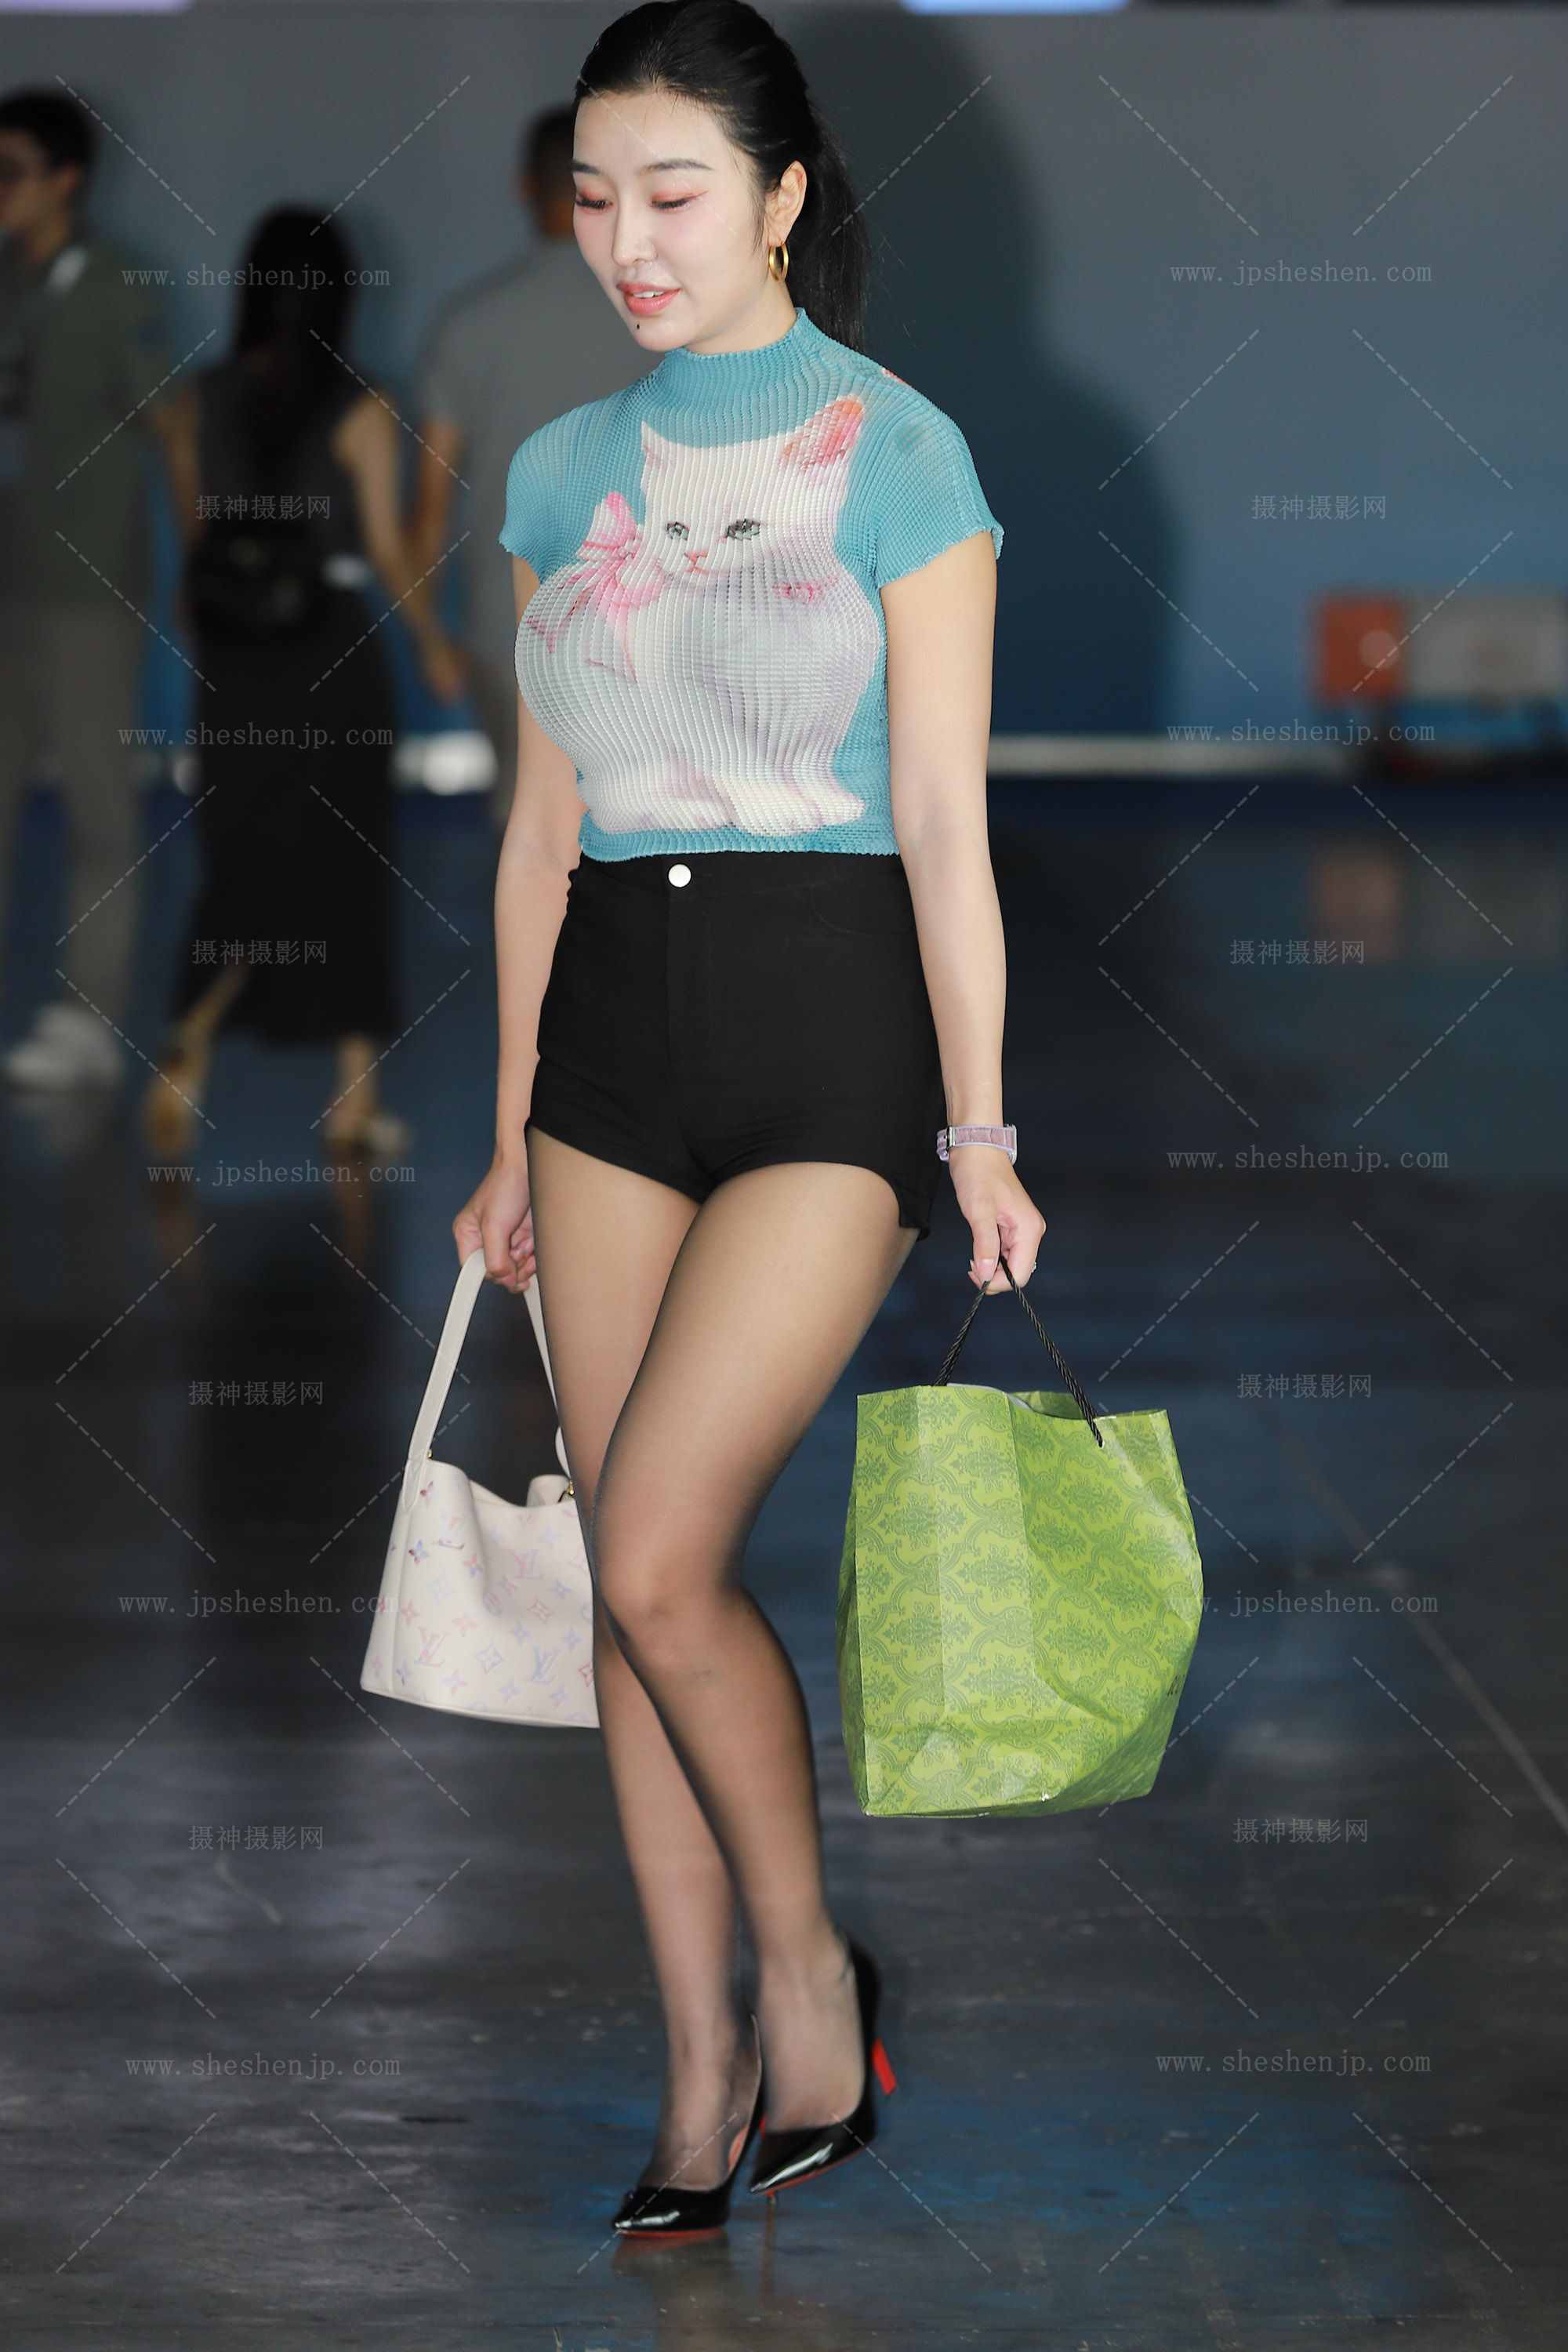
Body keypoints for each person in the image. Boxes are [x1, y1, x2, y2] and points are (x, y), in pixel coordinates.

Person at [451, 0, 1045, 2236]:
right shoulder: (555, 471)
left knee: (657, 1550)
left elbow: (946, 826)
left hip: (832, 1036)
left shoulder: (905, 455)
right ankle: (698, 2060)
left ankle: (806, 1973)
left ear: (783, 196)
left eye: (674, 192)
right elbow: (538, 834)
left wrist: (976, 1134)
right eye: (594, 195)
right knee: (626, 1596)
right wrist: (506, 1131)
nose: (628, 238)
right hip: (607, 1044)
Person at [140, 207, 463, 1160]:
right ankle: (354, 1104)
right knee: (347, 868)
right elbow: (387, 549)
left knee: (240, 860)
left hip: (236, 663)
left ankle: (187, 1045)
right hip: (331, 658)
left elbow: (197, 548)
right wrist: (431, 642)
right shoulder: (362, 406)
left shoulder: (193, 402)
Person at [0, 86, 197, 1090]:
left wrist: (202, 557)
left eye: (12, 172)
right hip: (8, 582)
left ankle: (90, 1018)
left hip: (83, 589)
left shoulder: (116, 287)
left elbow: (173, 428)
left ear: (65, 179)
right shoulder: (8, 282)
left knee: (95, 809)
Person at [411, 106, 656, 828]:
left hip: (509, 626)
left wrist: (430, 638)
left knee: (531, 836)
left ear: (524, 186)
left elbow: (428, 515)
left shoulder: (466, 326)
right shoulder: (665, 316)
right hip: (651, 629)